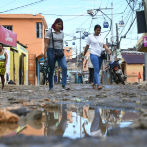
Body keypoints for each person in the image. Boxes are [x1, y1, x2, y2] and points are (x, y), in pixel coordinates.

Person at [83, 25, 112, 90]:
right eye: (97, 30)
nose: (98, 31)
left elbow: (104, 45)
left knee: (97, 71)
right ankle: (98, 85)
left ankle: (93, 83)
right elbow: (87, 46)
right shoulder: (90, 37)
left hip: (100, 56)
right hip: (93, 54)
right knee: (96, 69)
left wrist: (109, 50)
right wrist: (84, 54)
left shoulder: (101, 37)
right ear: (94, 30)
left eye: (99, 30)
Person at [44, 18, 69, 91]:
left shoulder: (62, 33)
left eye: (61, 25)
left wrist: (61, 50)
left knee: (64, 67)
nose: (60, 26)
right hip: (51, 51)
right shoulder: (50, 32)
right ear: (55, 24)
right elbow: (46, 43)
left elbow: (61, 42)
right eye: (58, 24)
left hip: (59, 52)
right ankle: (51, 87)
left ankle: (64, 85)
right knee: (51, 69)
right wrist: (45, 53)